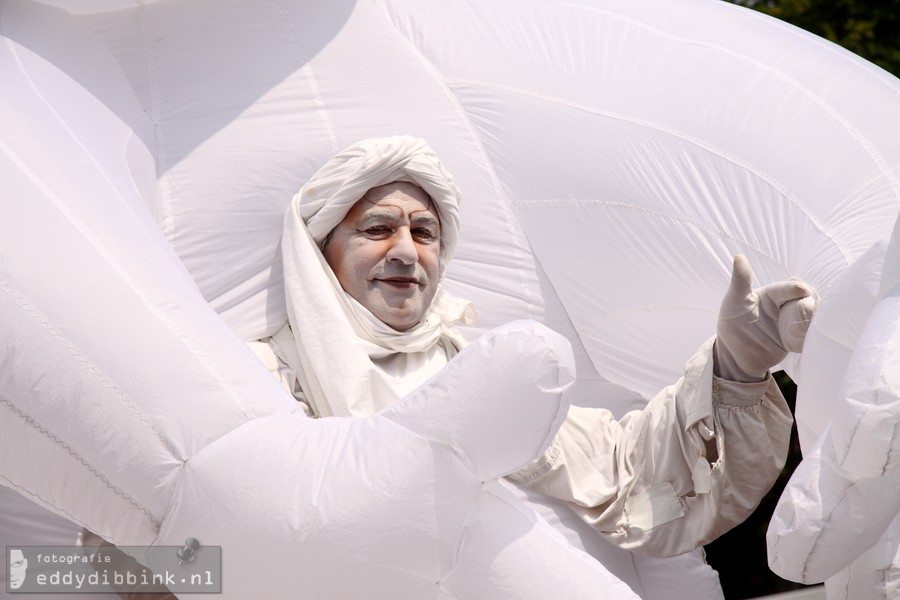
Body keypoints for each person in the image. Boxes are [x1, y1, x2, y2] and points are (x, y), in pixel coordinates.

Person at [246, 135, 816, 596]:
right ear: (322, 250)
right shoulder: (263, 374)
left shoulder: (477, 367)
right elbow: (199, 534)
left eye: (424, 232)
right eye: (377, 228)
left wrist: (737, 368)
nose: (405, 251)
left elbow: (628, 471)